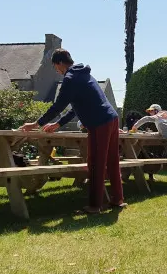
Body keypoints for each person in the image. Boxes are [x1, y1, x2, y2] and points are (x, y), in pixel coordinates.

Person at [20, 49, 124, 214]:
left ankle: (95, 206)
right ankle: (117, 200)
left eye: (56, 67)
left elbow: (58, 105)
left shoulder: (70, 78)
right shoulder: (84, 75)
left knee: (95, 163)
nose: (57, 71)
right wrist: (58, 124)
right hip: (111, 118)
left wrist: (36, 123)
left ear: (60, 63)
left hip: (99, 122)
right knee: (112, 160)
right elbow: (75, 108)